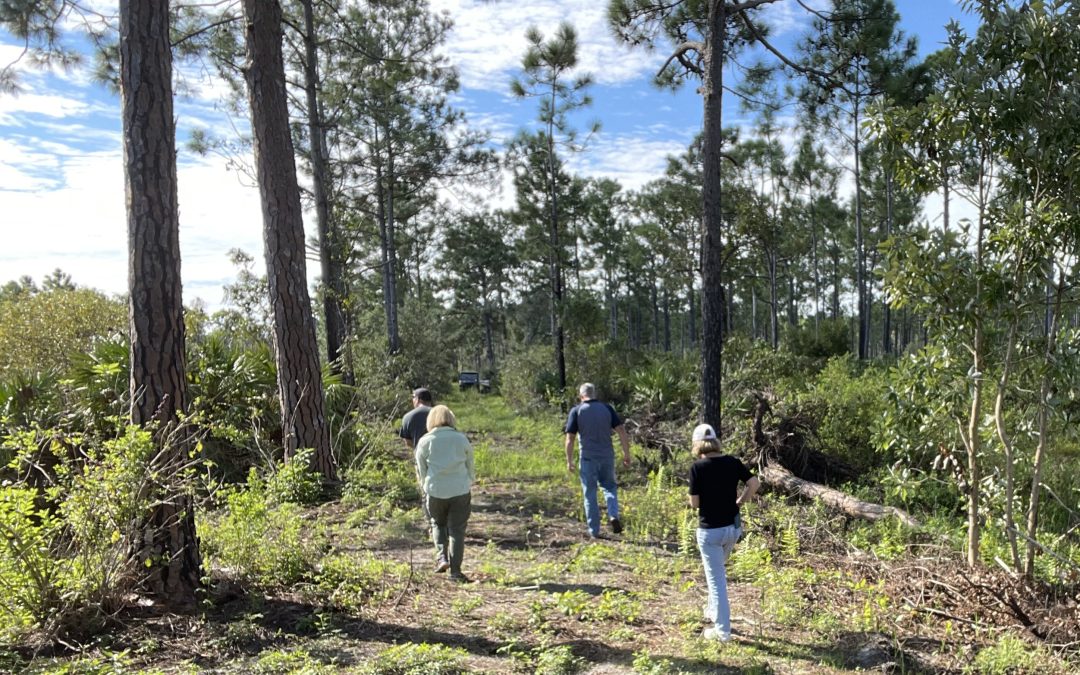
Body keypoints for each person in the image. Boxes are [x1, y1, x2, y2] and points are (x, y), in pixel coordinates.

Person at [688, 423, 760, 642]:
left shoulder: (697, 468)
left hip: (710, 532)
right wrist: (739, 502)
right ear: (716, 443)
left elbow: (694, 504)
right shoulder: (732, 462)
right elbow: (754, 483)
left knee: (717, 581)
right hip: (732, 530)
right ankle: (712, 611)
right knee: (717, 574)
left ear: (698, 445)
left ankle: (722, 631)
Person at [415, 404, 475, 582]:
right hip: (459, 490)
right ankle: (455, 572)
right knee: (456, 531)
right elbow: (470, 464)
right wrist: (468, 481)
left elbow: (421, 469)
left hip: (435, 490)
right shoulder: (461, 439)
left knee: (437, 524)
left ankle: (442, 557)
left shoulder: (425, 441)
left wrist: (425, 486)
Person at [564, 383, 631, 538]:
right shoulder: (607, 409)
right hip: (607, 456)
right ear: (595, 394)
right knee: (609, 487)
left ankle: (594, 531)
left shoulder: (577, 411)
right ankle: (613, 514)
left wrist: (569, 460)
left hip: (588, 458)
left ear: (581, 396)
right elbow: (621, 430)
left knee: (590, 494)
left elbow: (570, 438)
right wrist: (626, 453)